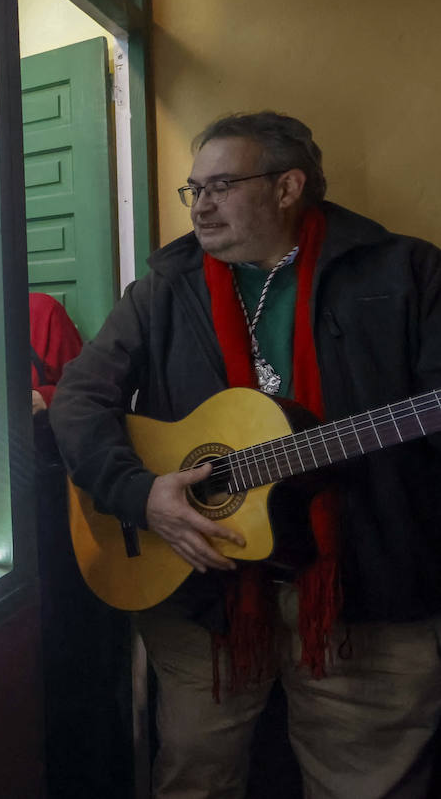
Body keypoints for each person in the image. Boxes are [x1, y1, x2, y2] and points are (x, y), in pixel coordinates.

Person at [50, 111, 441, 798]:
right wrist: (141, 495)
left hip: (364, 583)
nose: (200, 204)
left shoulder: (406, 272)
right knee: (195, 775)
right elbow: (78, 399)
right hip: (203, 592)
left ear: (288, 187)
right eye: (193, 189)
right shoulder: (166, 288)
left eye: (222, 185)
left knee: (369, 782)